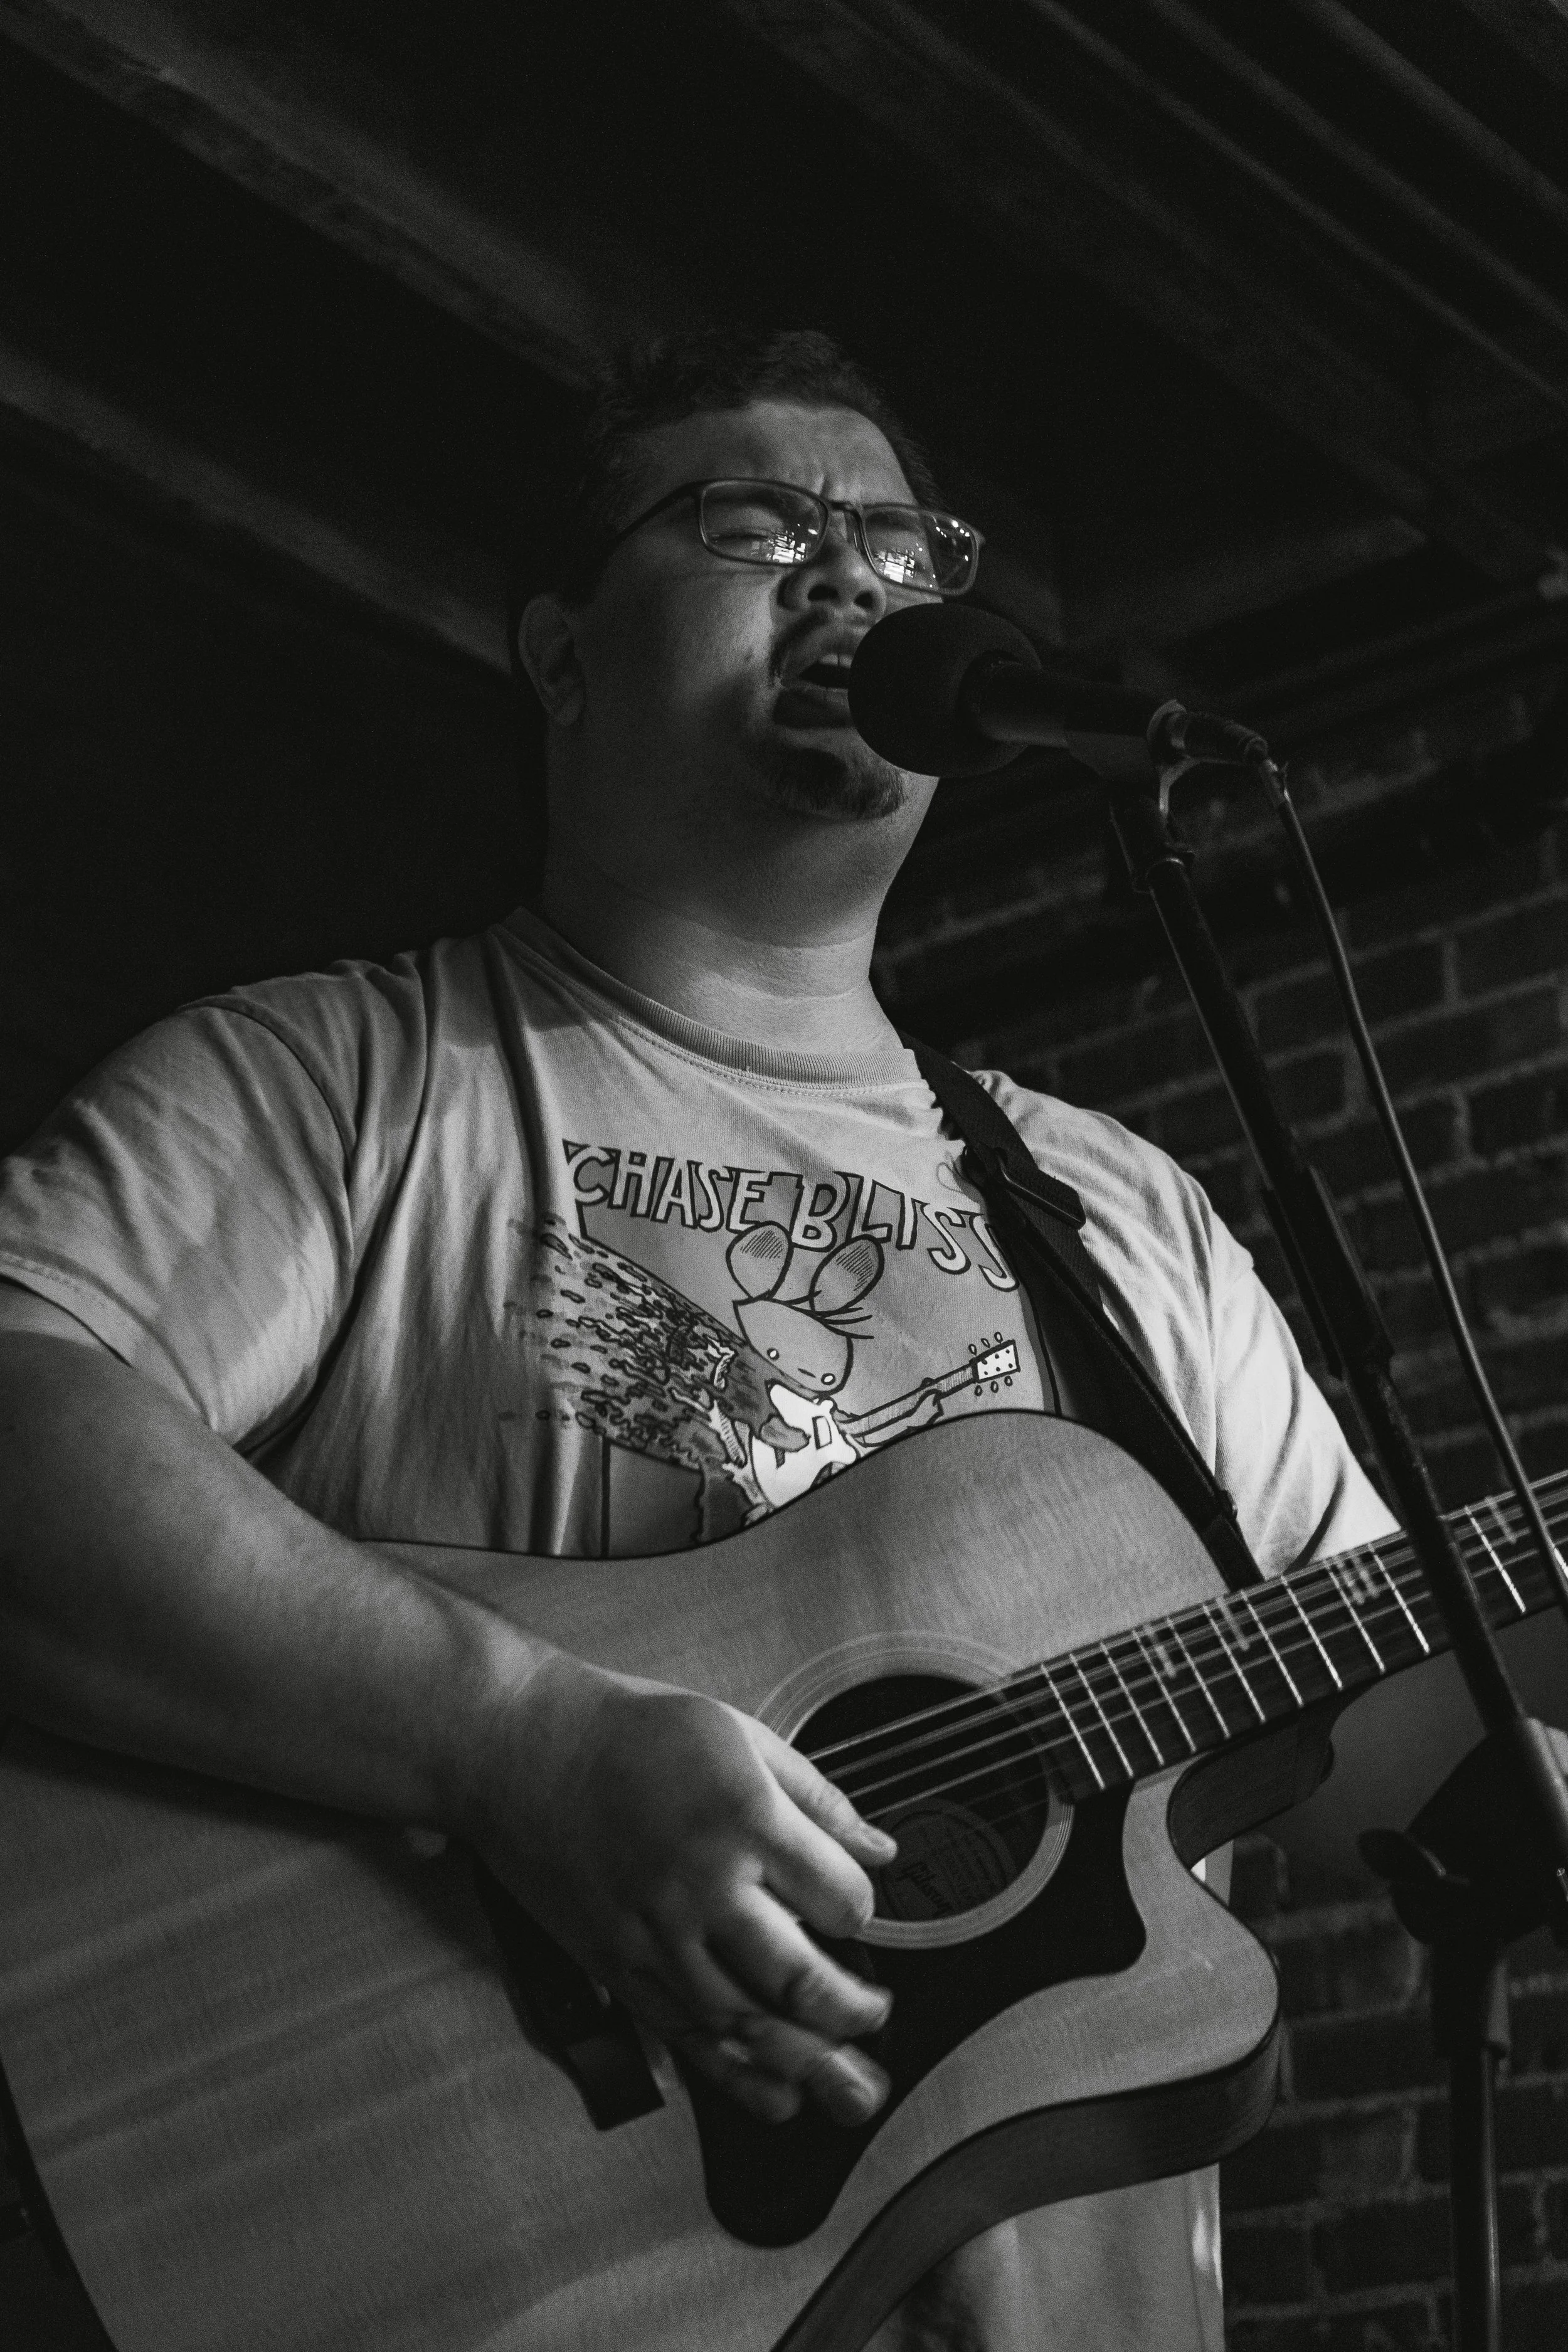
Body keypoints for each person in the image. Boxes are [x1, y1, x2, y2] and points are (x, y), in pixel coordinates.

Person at [0, 327, 1394, 2350]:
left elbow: (1418, 1707)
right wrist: (516, 1740)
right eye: (760, 523)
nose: (856, 578)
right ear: (563, 655)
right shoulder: (351, 1079)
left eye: (908, 550)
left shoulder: (1120, 1213)